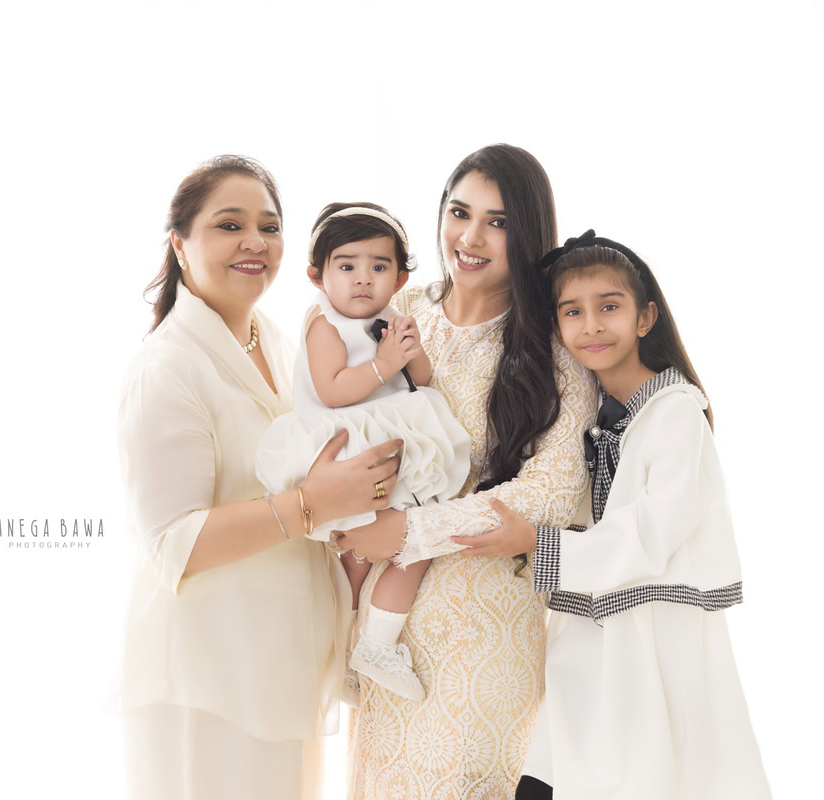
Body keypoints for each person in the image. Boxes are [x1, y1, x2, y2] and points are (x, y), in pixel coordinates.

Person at [114, 155, 403, 800]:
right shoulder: (167, 368)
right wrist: (310, 505)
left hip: (281, 669)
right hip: (206, 678)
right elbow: (172, 544)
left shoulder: (275, 340)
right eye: (229, 225)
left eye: (269, 227)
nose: (255, 242)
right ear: (179, 244)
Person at [463, 231, 771, 799]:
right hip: (590, 632)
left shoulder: (676, 415)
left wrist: (538, 542)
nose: (592, 326)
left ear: (645, 317)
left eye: (609, 307)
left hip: (655, 641)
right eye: (572, 312)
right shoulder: (592, 417)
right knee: (552, 774)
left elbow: (652, 532)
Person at [338, 145, 597, 799]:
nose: (471, 238)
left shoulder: (554, 346)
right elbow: (337, 420)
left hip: (486, 631)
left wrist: (410, 533)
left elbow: (553, 490)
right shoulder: (400, 310)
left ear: (528, 233)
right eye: (460, 213)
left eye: (497, 222)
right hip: (385, 633)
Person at [256, 201, 470, 702]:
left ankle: (370, 645)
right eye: (347, 266)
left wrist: (411, 352)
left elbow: (420, 381)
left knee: (408, 542)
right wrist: (384, 363)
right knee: (364, 556)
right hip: (345, 447)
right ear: (317, 276)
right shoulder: (324, 323)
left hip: (388, 440)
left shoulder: (392, 317)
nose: (362, 279)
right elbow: (332, 390)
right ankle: (353, 649)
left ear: (399, 279)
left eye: (378, 267)